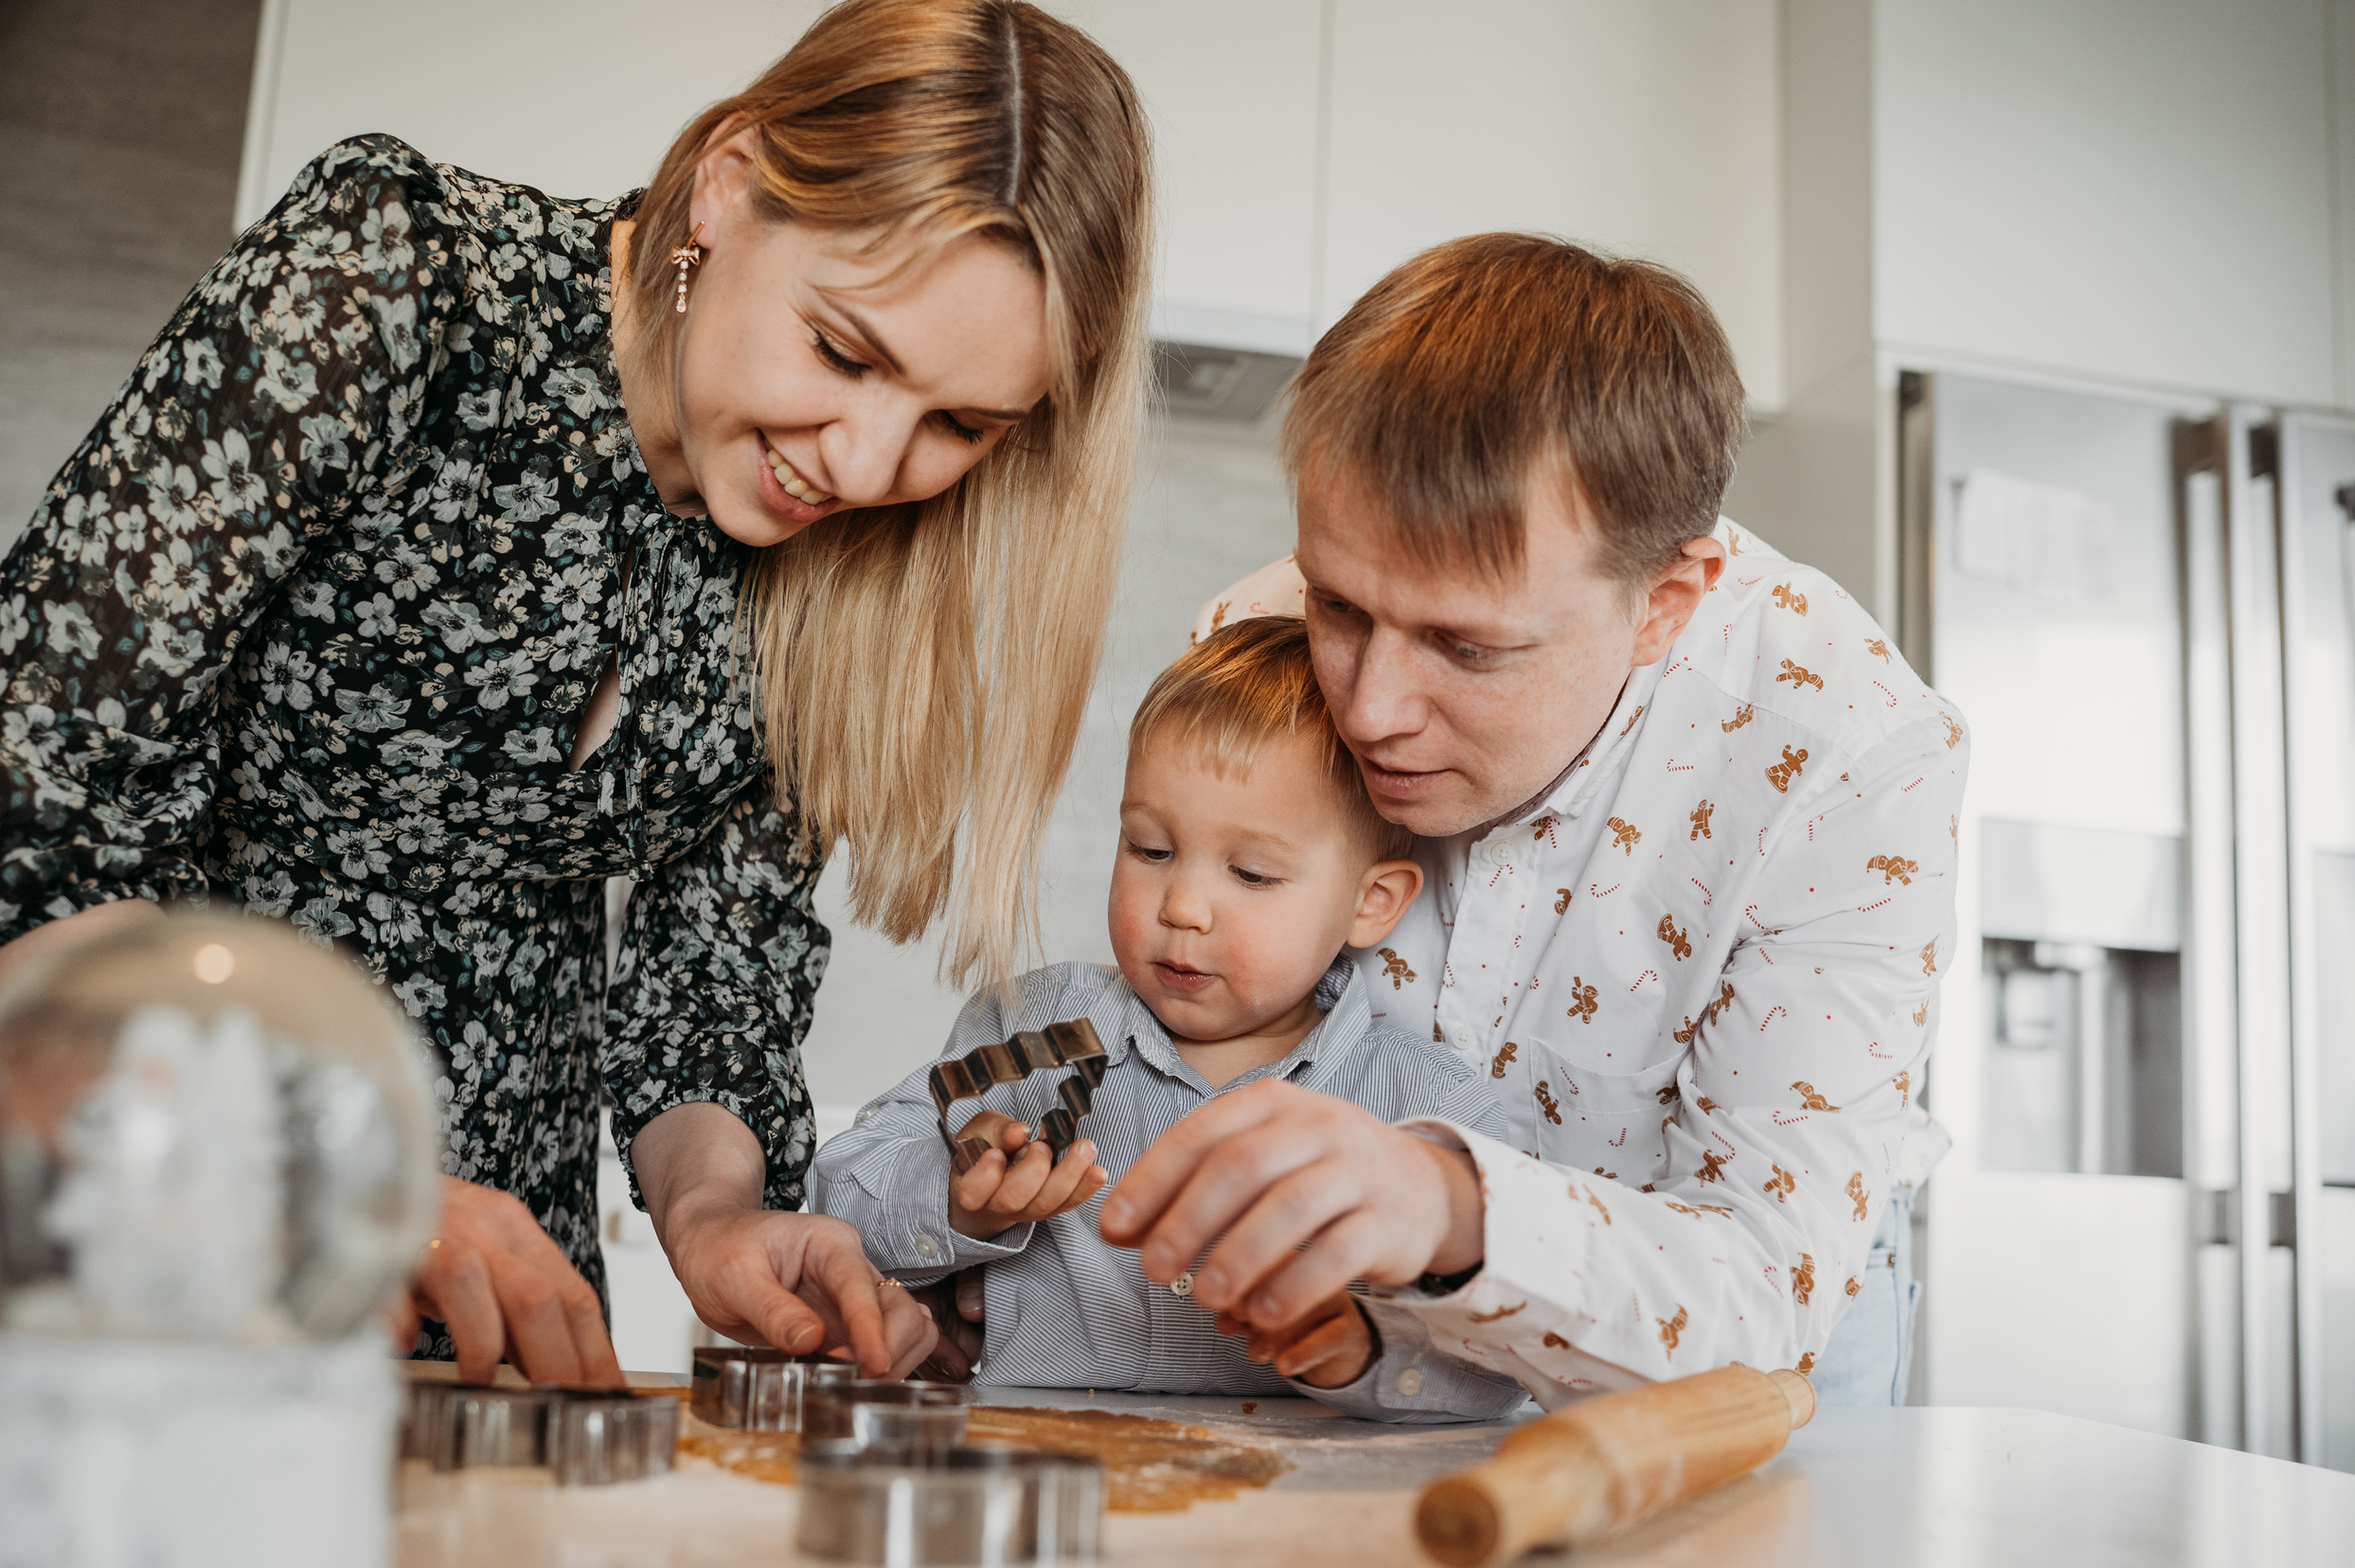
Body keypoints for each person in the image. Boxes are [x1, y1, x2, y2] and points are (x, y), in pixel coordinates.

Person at [0, 0, 1152, 1386]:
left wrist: (718, 1219)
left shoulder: (846, 560)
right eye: (844, 353)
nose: (864, 464)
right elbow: (46, 786)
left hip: (503, 1289)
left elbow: (711, 981)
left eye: (957, 424)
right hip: (148, 1202)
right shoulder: (400, 274)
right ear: (727, 185)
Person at [1099, 235, 1968, 1408]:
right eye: (1339, 609)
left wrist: (1449, 1203)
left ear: (1664, 603)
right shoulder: (1255, 635)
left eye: (1466, 647)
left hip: (1734, 1364)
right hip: (1359, 1352)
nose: (1369, 710)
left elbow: (1769, 1278)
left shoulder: (1848, 750)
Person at [812, 617, 1525, 1420]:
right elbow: (837, 1194)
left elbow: (1509, 1359)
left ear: (1372, 902)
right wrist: (955, 1205)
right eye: (1150, 849)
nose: (1182, 906)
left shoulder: (1429, 1112)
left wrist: (1364, 1351)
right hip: (1029, 1458)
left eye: (1250, 873)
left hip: (1297, 1485)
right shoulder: (1028, 1030)